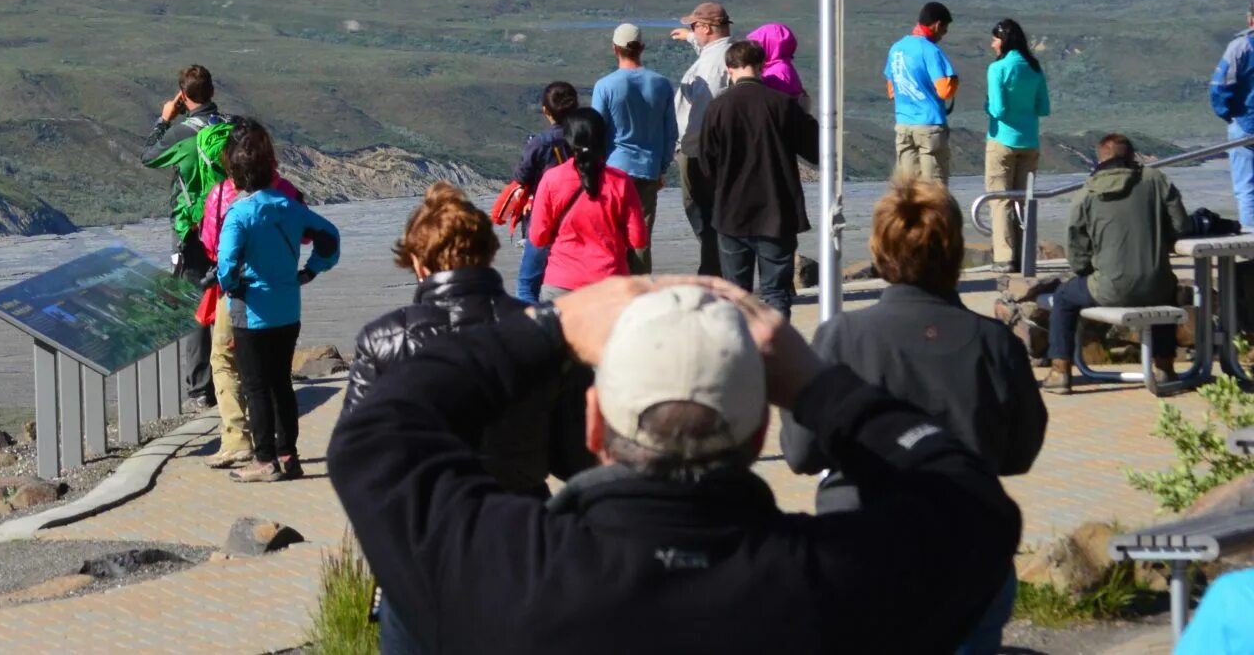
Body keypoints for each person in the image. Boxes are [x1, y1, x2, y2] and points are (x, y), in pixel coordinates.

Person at [325, 276, 1023, 654]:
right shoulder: (839, 580)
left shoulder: (500, 567)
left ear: (594, 423)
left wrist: (551, 325)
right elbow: (966, 491)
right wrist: (815, 382)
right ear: (757, 437)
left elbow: (380, 432)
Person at [782, 184, 1045, 655]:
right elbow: (1019, 454)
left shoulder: (842, 337)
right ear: (957, 251)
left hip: (860, 546)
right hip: (970, 550)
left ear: (881, 252)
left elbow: (800, 453)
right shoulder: (995, 343)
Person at [348, 182, 580, 655]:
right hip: (522, 534)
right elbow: (576, 453)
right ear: (489, 253)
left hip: (421, 548)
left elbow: (361, 459)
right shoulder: (540, 331)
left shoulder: (383, 339)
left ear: (417, 261)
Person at [214, 120, 341, 483]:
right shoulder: (289, 206)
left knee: (256, 386)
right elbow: (329, 237)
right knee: (282, 384)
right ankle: (289, 456)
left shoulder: (239, 214)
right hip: (288, 307)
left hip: (250, 310)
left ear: (235, 174)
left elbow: (226, 263)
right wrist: (311, 270)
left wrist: (231, 284)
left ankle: (265, 460)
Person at [196, 129, 305, 470]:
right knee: (278, 376)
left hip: (240, 294)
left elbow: (212, 245)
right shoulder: (285, 191)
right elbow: (309, 236)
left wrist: (228, 280)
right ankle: (283, 451)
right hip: (284, 295)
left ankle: (239, 441)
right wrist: (310, 270)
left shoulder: (222, 195)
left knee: (226, 361)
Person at [1048, 133, 1189, 393]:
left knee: (1064, 298)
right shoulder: (1156, 181)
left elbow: (1076, 251)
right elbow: (1181, 225)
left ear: (1099, 159)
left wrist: (1087, 271)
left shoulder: (1086, 192)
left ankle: (1060, 372)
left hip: (1107, 289)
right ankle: (1165, 368)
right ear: (1132, 156)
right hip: (1155, 285)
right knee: (1167, 288)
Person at [700, 39, 819, 315]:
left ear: (729, 69)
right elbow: (815, 152)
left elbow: (707, 164)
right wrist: (807, 114)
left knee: (736, 296)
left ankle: (743, 354)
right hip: (776, 212)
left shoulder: (717, 109)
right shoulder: (783, 105)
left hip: (731, 213)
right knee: (776, 293)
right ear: (762, 66)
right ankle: (777, 354)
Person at [144, 64, 230, 400]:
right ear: (213, 92)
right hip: (230, 223)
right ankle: (235, 376)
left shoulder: (183, 133)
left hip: (192, 229)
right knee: (232, 295)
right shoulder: (230, 127)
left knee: (196, 303)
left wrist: (164, 118)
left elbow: (149, 156)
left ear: (183, 96)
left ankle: (200, 388)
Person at [527, 107, 647, 299]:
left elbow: (538, 237)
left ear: (568, 140)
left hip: (560, 283)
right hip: (611, 284)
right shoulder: (621, 181)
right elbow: (638, 239)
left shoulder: (551, 179)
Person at [591, 23, 679, 256]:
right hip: (648, 170)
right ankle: (639, 288)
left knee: (611, 238)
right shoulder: (661, 84)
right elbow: (670, 132)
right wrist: (662, 168)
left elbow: (597, 131)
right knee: (641, 240)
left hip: (614, 170)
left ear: (614, 48)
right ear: (642, 47)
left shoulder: (605, 86)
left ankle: (615, 289)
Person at [668, 2, 730, 278]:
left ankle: (714, 269)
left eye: (695, 26)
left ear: (707, 27)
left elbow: (704, 111)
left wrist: (686, 148)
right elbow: (709, 49)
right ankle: (716, 264)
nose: (692, 29)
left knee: (701, 212)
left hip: (700, 150)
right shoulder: (725, 51)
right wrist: (690, 37)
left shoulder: (713, 65)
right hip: (705, 148)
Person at [984, 19, 1052, 270]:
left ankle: (1004, 257)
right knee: (1023, 200)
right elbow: (1043, 108)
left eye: (995, 39)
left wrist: (987, 105)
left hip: (1001, 140)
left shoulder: (998, 69)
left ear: (1004, 40)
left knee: (1000, 199)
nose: (992, 44)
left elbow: (998, 108)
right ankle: (1025, 255)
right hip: (1030, 141)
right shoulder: (1034, 68)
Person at [507, 82, 581, 302]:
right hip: (580, 216)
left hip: (544, 216)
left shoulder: (539, 143)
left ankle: (534, 329)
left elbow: (521, 176)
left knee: (528, 284)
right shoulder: (586, 138)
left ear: (545, 110)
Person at [887, 1, 960, 184]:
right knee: (934, 190)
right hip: (929, 126)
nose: (944, 34)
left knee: (907, 190)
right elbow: (945, 91)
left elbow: (891, 90)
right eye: (944, 29)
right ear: (936, 25)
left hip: (903, 125)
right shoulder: (931, 51)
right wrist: (955, 80)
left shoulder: (896, 48)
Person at [1211, 1, 1254, 231]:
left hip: (1245, 123)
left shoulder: (1240, 47)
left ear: (1250, 19)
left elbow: (1219, 87)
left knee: (1246, 188)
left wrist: (1227, 115)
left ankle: (1251, 250)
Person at [747, 20, 806, 105]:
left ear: (770, 46)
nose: (755, 50)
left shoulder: (778, 73)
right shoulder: (783, 66)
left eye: (759, 45)